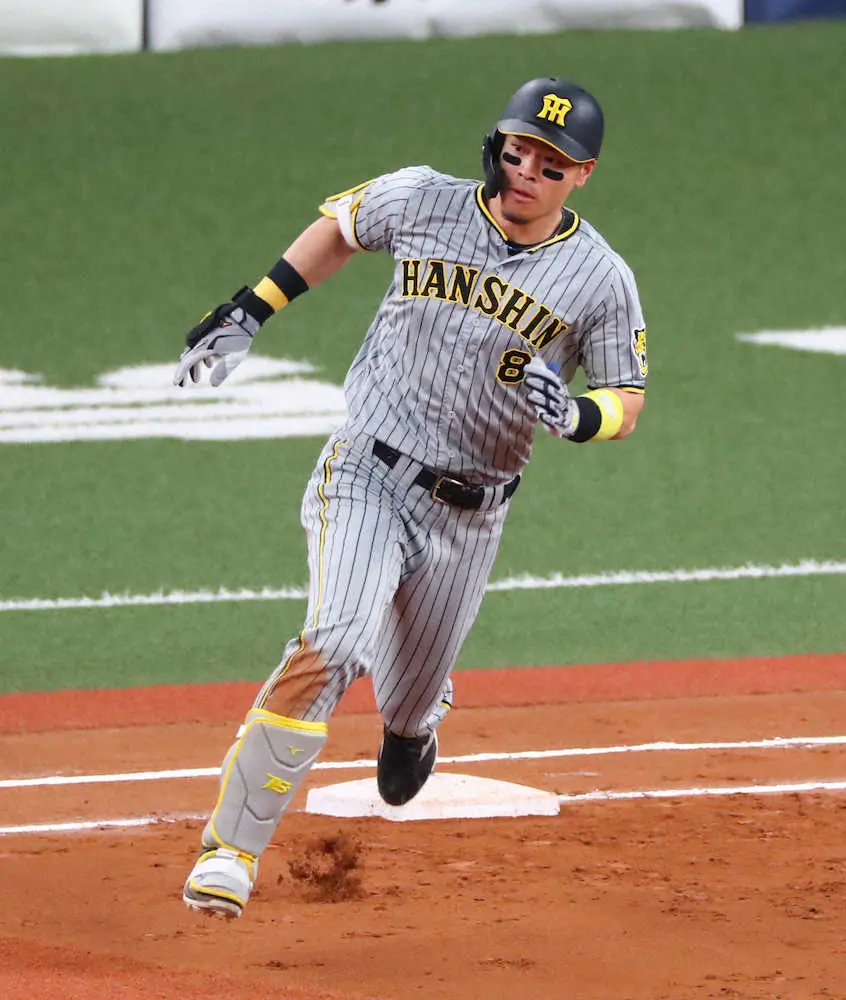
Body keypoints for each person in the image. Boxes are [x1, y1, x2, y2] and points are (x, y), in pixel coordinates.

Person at [174, 76, 648, 918]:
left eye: (552, 163)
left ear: (583, 175)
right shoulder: (423, 199)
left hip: (472, 514)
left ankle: (413, 723)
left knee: (406, 714)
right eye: (519, 151)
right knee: (333, 642)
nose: (528, 171)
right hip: (367, 468)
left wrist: (577, 416)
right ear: (497, 144)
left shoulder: (601, 278)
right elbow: (341, 226)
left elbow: (626, 398)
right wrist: (252, 308)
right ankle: (230, 853)